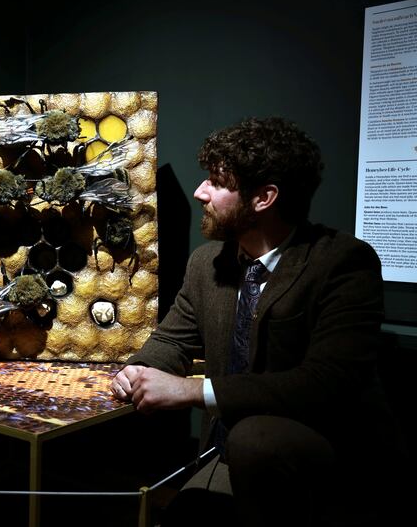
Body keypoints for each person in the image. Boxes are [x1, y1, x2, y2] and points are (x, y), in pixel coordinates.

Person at [111, 117, 406, 526]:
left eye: (217, 181)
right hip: (228, 452)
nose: (199, 192)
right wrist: (140, 370)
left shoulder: (342, 263)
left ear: (264, 198)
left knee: (255, 440)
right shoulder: (206, 264)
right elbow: (174, 339)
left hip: (320, 452)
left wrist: (190, 390)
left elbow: (325, 383)